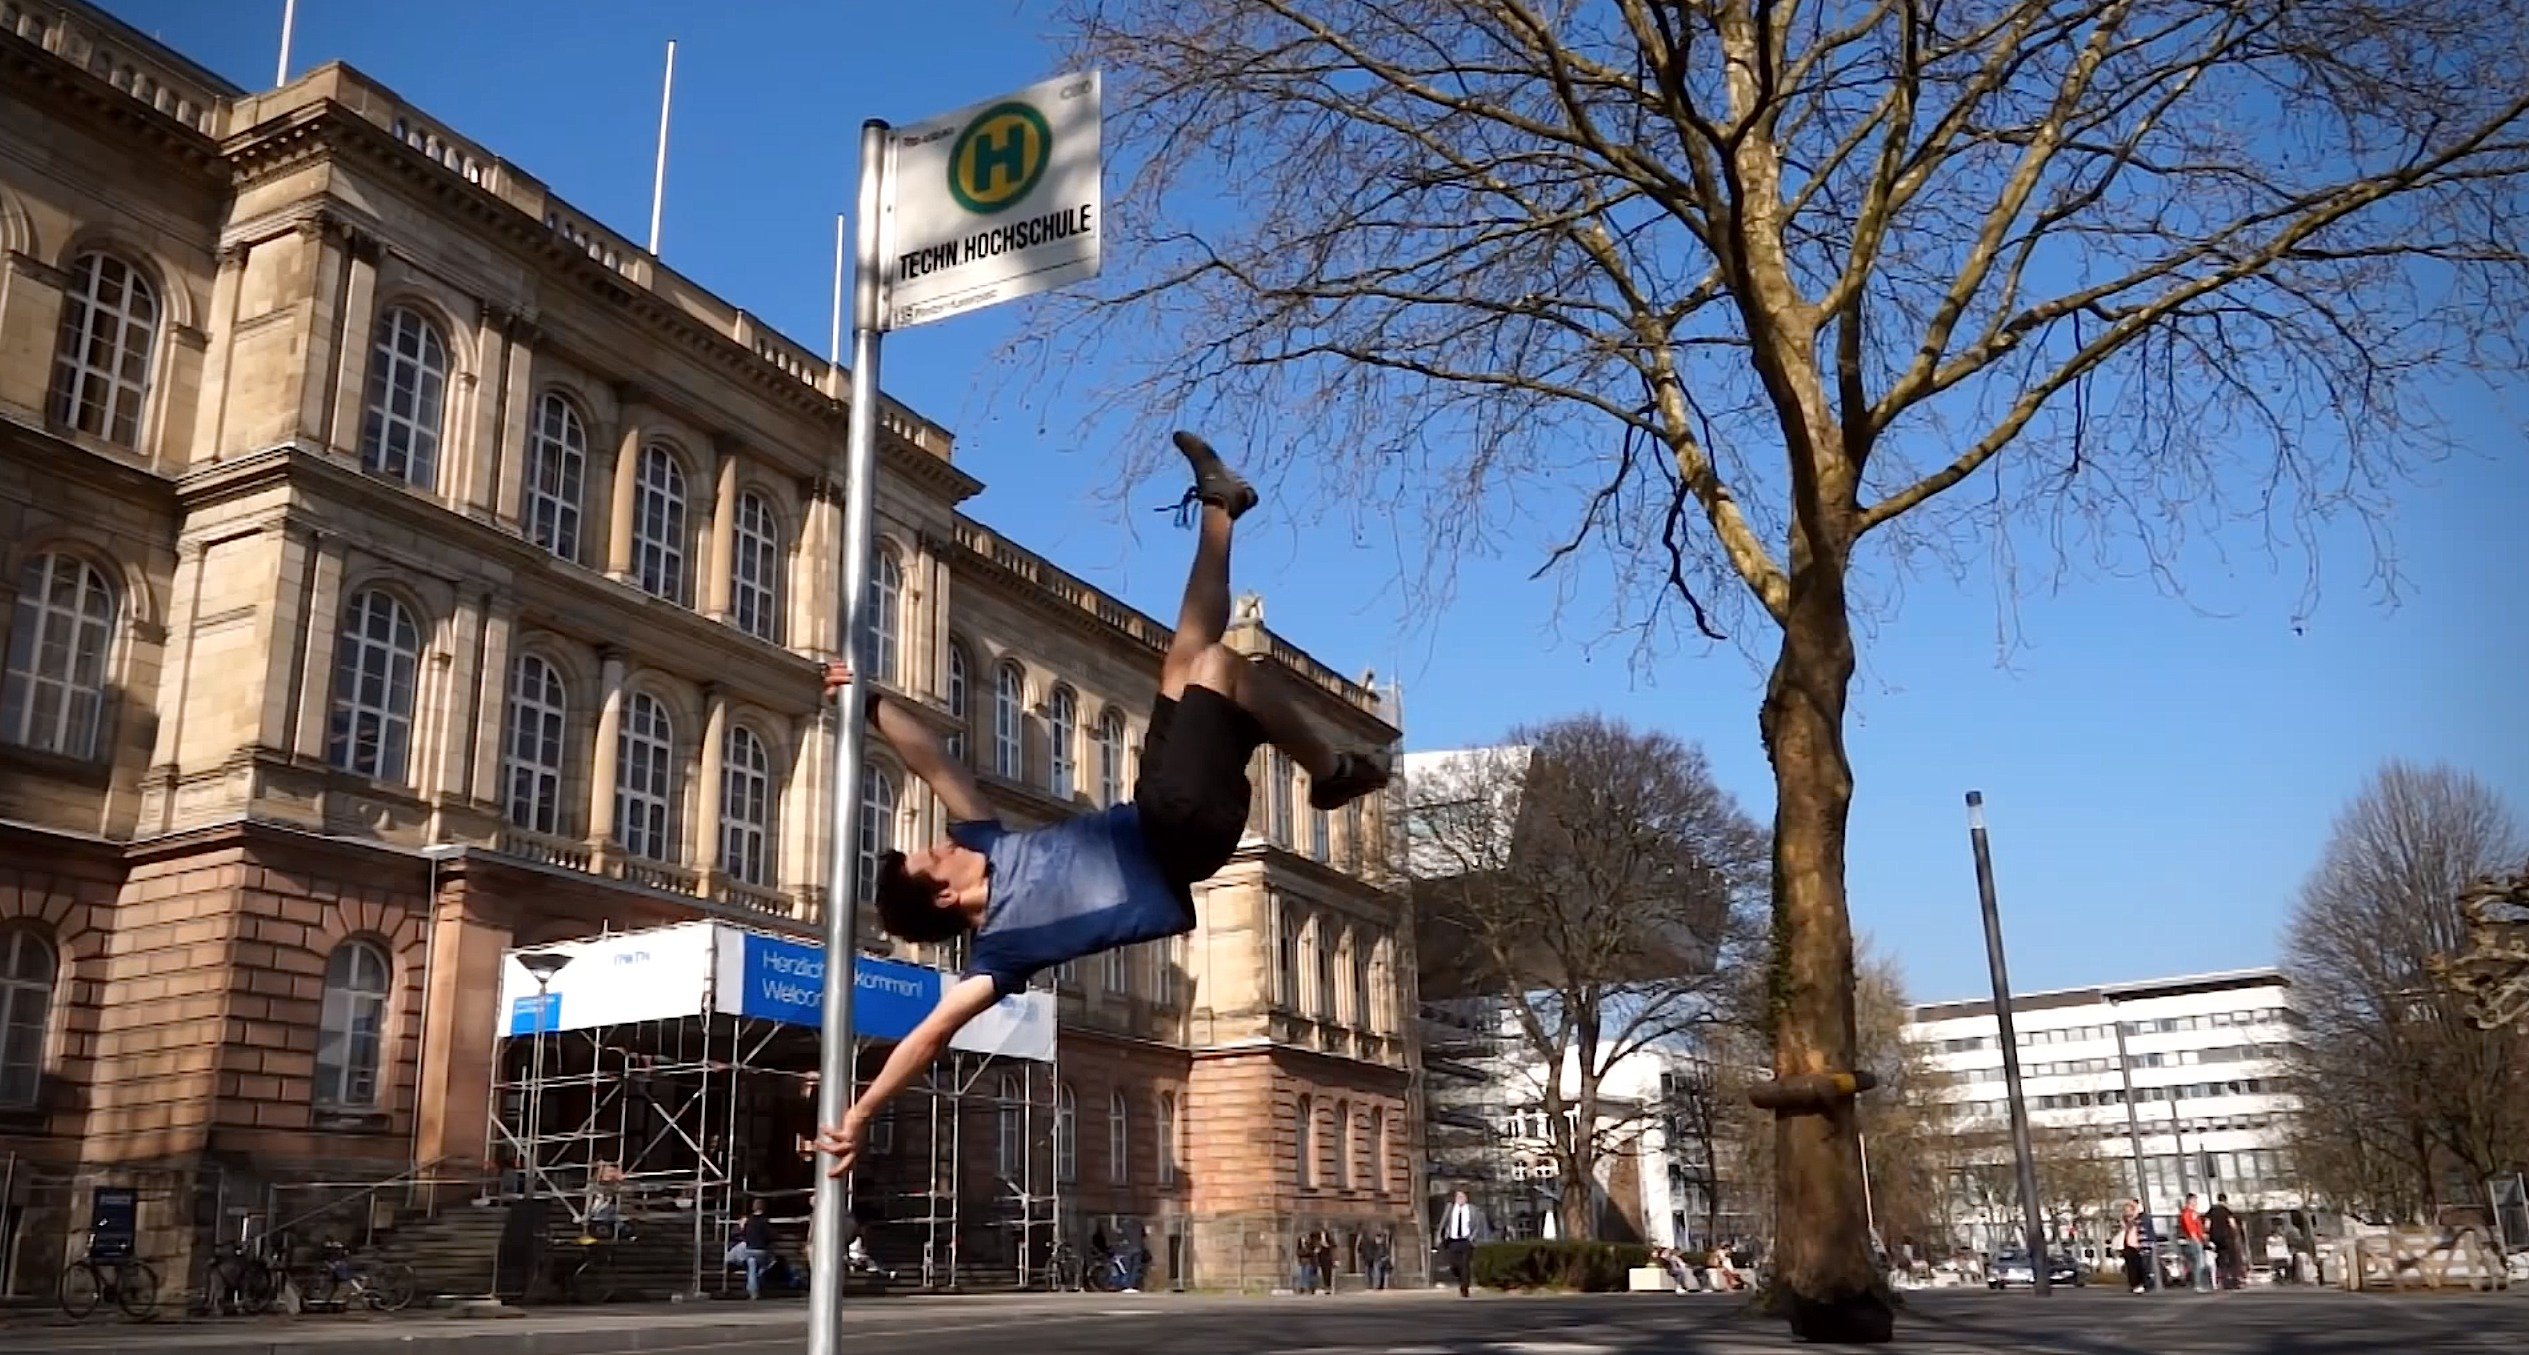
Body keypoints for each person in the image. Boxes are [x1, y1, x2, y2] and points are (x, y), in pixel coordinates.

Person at [815, 433, 1391, 1172]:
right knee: (1219, 662)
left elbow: (934, 762)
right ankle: (1330, 768)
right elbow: (929, 1033)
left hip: (1154, 802)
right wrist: (861, 1112)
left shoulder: (987, 839)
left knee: (1186, 652)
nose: (945, 842)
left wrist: (866, 702)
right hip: (1181, 834)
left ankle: (1222, 505)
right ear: (945, 892)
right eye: (936, 855)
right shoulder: (1003, 953)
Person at [1437, 1190, 1487, 1297]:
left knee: (1465, 1265)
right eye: (1458, 1196)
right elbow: (1443, 1223)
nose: (1460, 1199)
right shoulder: (1450, 1208)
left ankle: (1465, 1288)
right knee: (1454, 1265)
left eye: (1462, 1196)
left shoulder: (1472, 1210)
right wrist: (1439, 1236)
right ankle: (1460, 1279)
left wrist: (1472, 1238)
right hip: (1452, 1240)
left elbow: (1476, 1225)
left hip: (1466, 1241)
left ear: (1466, 1198)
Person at [2206, 1193, 2243, 1290]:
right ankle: (2234, 1281)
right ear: (2225, 1200)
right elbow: (2232, 1224)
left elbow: (2207, 1225)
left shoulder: (2211, 1210)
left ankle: (2223, 1281)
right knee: (2232, 1260)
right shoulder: (2227, 1210)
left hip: (2216, 1239)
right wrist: (2235, 1234)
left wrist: (2209, 1236)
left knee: (2221, 1260)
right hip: (2227, 1238)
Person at [2117, 1198, 2150, 1293]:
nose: (2128, 1212)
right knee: (2132, 1266)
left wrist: (2135, 1206)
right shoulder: (2128, 1220)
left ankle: (2140, 1283)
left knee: (2139, 1265)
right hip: (2129, 1244)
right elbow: (2126, 1221)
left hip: (2136, 1244)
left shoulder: (2139, 1219)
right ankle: (2135, 1284)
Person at [2179, 1192, 2211, 1292]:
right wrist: (2195, 1238)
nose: (2196, 1203)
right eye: (2194, 1201)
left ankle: (2198, 1283)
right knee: (2199, 1263)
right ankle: (2197, 1284)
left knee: (2198, 1262)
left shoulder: (2193, 1213)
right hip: (2194, 1240)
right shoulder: (2187, 1213)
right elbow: (2189, 1227)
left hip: (2197, 1239)